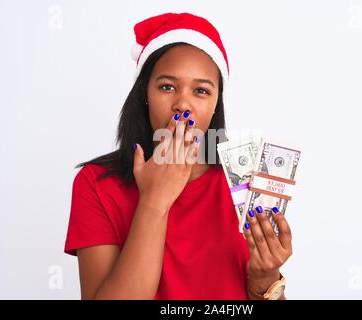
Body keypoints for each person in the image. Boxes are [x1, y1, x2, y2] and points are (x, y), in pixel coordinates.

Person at [64, 12, 292, 300]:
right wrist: (154, 200)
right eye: (167, 86)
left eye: (201, 90)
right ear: (144, 92)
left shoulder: (245, 182)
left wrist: (265, 282)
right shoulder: (95, 184)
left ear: (214, 105)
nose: (182, 103)